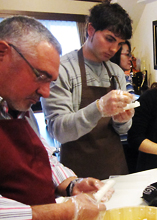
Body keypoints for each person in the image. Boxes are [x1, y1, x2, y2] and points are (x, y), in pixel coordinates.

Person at [0, 15, 113, 220]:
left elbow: (42, 156)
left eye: (50, 82)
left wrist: (71, 185)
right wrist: (63, 211)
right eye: (40, 76)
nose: (45, 93)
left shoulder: (16, 105)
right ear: (2, 52)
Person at [41, 1, 135, 179]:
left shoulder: (116, 73)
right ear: (90, 30)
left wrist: (123, 120)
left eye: (119, 43)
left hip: (115, 167)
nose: (114, 49)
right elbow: (58, 131)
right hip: (78, 171)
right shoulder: (63, 70)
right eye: (109, 39)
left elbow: (123, 130)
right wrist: (99, 107)